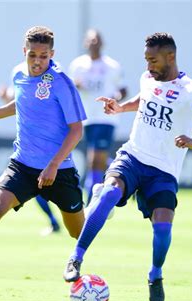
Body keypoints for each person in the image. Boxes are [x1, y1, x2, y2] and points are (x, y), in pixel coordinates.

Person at [63, 32, 192, 301]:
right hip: (133, 156)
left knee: (162, 228)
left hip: (164, 171)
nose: (148, 65)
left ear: (170, 57)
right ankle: (76, 257)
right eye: (146, 60)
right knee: (110, 194)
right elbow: (145, 99)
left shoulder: (191, 91)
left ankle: (155, 274)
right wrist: (121, 107)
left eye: (153, 60)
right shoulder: (148, 78)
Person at [0, 26, 87, 298]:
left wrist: (53, 164)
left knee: (78, 232)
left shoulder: (62, 82)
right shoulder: (18, 74)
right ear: (24, 52)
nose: (37, 61)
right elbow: (21, 102)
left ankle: (84, 270)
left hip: (59, 170)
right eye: (32, 54)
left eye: (43, 56)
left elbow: (77, 129)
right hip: (22, 165)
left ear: (52, 55)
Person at [0, 70, 61, 236]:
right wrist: (5, 97)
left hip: (50, 144)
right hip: (30, 144)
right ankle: (54, 221)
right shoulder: (18, 73)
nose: (37, 59)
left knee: (57, 186)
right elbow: (17, 102)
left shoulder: (54, 72)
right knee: (39, 186)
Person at [68, 29, 127, 203]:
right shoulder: (77, 65)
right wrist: (75, 86)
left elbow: (123, 89)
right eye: (90, 40)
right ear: (85, 43)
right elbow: (68, 89)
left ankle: (90, 204)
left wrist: (115, 98)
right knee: (94, 161)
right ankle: (121, 170)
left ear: (102, 43)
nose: (93, 43)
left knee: (94, 161)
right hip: (86, 119)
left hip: (106, 118)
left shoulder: (112, 66)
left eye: (96, 40)